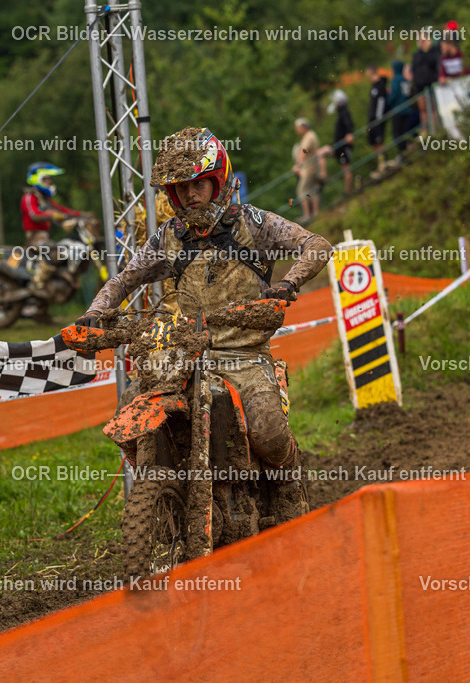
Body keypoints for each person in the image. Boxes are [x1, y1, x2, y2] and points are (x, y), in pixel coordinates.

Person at [74, 127, 333, 522]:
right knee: (131, 407)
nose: (191, 194)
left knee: (267, 430)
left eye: (199, 184)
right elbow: (124, 279)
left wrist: (287, 284)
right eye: (181, 188)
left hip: (245, 355)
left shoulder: (254, 223)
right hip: (187, 353)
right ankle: (163, 487)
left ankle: (287, 480)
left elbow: (317, 245)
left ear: (218, 181)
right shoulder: (169, 236)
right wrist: (95, 312)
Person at [21, 162, 82, 299]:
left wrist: (80, 215)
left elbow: (61, 210)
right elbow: (34, 215)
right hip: (34, 238)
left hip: (44, 237)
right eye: (46, 179)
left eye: (49, 179)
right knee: (55, 252)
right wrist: (53, 215)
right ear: (37, 179)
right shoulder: (29, 197)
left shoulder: (45, 199)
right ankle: (37, 283)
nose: (49, 181)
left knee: (64, 249)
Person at [292, 118, 324, 223]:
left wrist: (298, 165)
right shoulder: (312, 135)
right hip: (313, 167)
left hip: (308, 169)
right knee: (313, 191)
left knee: (301, 191)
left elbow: (304, 150)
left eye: (298, 128)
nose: (297, 130)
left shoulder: (308, 136)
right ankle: (316, 214)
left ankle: (307, 215)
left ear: (303, 127)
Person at [387, 60, 419, 164]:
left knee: (397, 135)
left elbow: (393, 95)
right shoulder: (405, 80)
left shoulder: (396, 80)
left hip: (399, 110)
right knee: (406, 133)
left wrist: (388, 101)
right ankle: (406, 152)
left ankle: (403, 154)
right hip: (407, 110)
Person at [324, 90, 354, 195]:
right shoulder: (341, 113)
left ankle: (348, 192)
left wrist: (349, 133)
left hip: (343, 146)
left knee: (346, 168)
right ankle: (347, 191)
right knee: (322, 152)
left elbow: (349, 125)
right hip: (339, 145)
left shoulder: (344, 113)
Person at [410, 29, 440, 132]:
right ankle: (425, 131)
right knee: (423, 111)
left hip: (432, 86)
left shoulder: (435, 52)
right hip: (420, 87)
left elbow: (434, 64)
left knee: (433, 109)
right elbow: (414, 69)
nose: (422, 42)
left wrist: (427, 50)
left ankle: (436, 131)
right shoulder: (417, 54)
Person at [366, 65, 389, 180]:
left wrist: (378, 118)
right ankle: (380, 163)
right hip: (372, 119)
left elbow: (381, 102)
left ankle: (383, 162)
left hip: (377, 119)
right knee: (373, 141)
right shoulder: (373, 86)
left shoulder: (380, 86)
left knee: (379, 141)